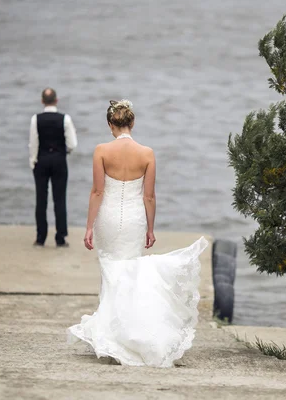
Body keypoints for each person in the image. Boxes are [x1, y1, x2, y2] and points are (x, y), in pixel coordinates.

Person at [67, 100, 208, 367]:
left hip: (107, 218)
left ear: (111, 124)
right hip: (134, 220)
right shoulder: (147, 153)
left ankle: (111, 336)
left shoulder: (101, 150)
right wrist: (150, 227)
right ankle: (124, 333)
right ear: (132, 123)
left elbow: (97, 192)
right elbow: (149, 196)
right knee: (129, 272)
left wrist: (88, 226)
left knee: (109, 271)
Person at [29, 88, 77, 247]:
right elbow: (72, 144)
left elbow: (33, 143)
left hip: (41, 161)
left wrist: (33, 161)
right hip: (59, 161)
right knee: (60, 199)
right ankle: (60, 237)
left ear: (42, 101)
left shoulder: (36, 119)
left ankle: (40, 237)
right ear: (56, 100)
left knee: (40, 200)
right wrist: (64, 151)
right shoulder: (65, 119)